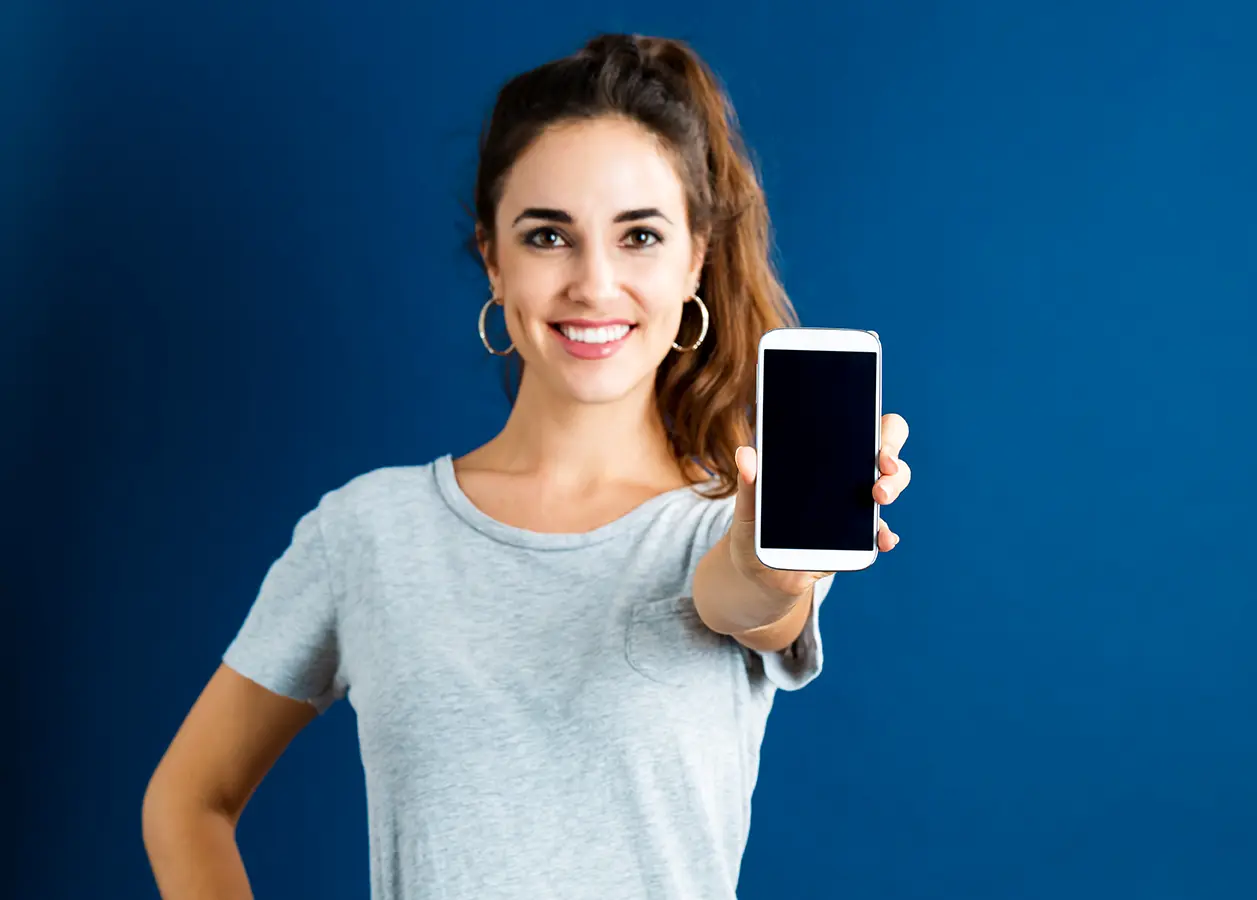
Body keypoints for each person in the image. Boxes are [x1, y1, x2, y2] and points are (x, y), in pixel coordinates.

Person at [142, 32, 911, 899]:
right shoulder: (366, 533)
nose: (593, 282)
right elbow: (188, 800)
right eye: (549, 235)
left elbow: (745, 596)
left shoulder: (738, 523)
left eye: (640, 237)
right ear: (492, 259)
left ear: (695, 258)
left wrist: (772, 565)